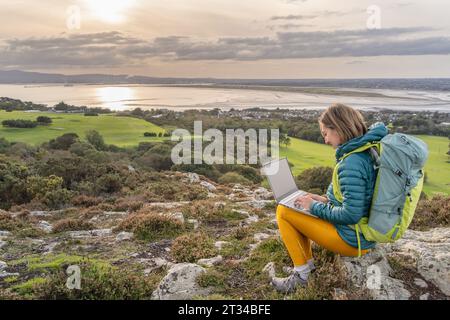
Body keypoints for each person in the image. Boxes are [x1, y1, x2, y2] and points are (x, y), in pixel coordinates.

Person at [272, 103, 388, 293]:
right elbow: (356, 197)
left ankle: (302, 276)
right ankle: (305, 266)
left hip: (352, 239)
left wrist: (313, 207)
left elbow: (351, 214)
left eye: (325, 133)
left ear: (338, 128)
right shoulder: (363, 151)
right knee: (294, 207)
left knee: (284, 210)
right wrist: (324, 199)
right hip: (361, 234)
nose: (325, 140)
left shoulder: (352, 162)